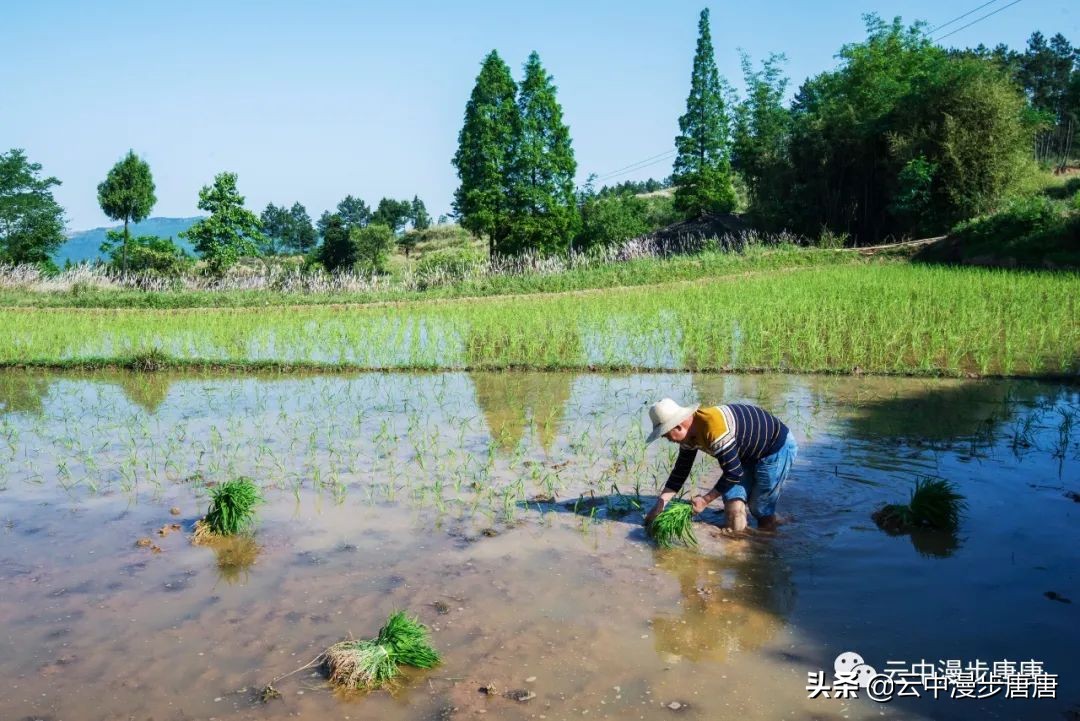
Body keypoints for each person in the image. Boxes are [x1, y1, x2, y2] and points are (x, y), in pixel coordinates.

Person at [643, 398, 797, 532]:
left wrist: (704, 501)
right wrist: (660, 506)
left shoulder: (714, 428)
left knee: (760, 508)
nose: (667, 439)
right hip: (743, 454)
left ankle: (767, 543)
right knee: (733, 509)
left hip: (774, 447)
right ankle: (737, 550)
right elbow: (680, 473)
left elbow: (734, 473)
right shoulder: (688, 437)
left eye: (666, 434)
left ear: (678, 426)